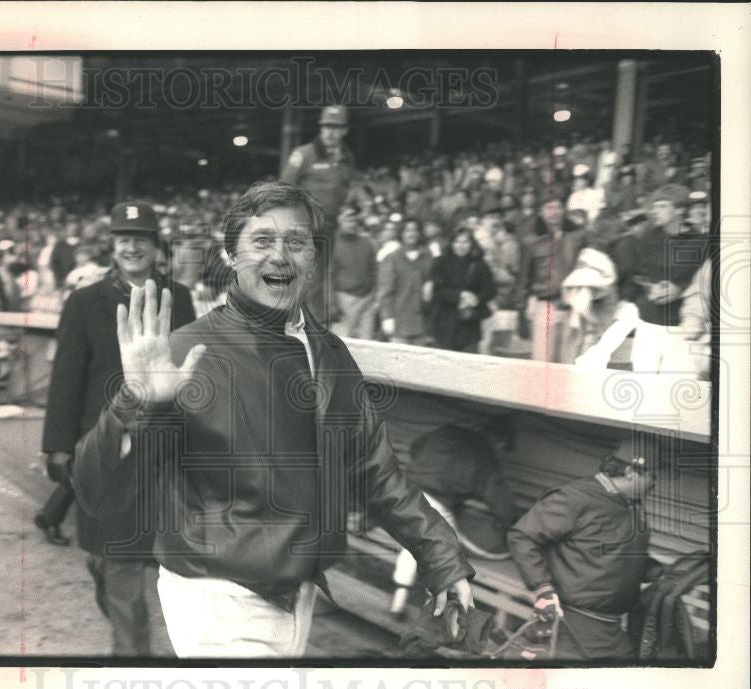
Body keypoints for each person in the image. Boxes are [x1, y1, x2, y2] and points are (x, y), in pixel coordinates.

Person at [72, 181, 474, 657]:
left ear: (313, 257)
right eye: (262, 241)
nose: (280, 256)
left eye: (296, 242)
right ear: (230, 255)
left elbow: (374, 470)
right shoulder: (186, 350)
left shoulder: (328, 351)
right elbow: (97, 486)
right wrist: (135, 402)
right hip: (216, 597)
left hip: (296, 593)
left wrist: (441, 558)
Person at [41, 200, 196, 655]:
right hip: (104, 448)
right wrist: (58, 446)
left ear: (156, 246)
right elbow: (66, 378)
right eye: (123, 238)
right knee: (106, 562)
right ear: (112, 245)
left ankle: (133, 663)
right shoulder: (86, 301)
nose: (132, 247)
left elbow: (192, 369)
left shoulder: (178, 297)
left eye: (141, 238)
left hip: (163, 449)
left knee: (124, 566)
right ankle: (128, 638)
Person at [508, 437, 665, 659]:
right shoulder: (574, 498)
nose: (654, 483)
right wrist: (542, 588)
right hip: (575, 624)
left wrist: (658, 571)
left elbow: (619, 555)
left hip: (610, 628)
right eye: (652, 475)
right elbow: (523, 536)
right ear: (632, 472)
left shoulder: (630, 504)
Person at [390, 417, 519, 614]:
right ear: (499, 441)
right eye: (502, 447)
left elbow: (417, 446)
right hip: (435, 503)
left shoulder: (446, 432)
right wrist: (513, 525)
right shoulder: (485, 456)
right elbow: (499, 498)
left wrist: (425, 467)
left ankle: (398, 602)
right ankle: (433, 610)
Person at [613, 183, 709, 371]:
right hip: (648, 323)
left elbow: (703, 282)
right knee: (642, 380)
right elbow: (636, 275)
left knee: (671, 385)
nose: (655, 211)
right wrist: (650, 287)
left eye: (663, 206)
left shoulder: (700, 242)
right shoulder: (647, 239)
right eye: (654, 206)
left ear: (680, 210)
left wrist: (679, 289)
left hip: (680, 328)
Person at [280, 105, 356, 326]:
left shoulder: (347, 158)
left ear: (344, 130)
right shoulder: (304, 154)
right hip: (304, 225)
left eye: (336, 127)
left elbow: (344, 190)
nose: (330, 132)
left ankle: (314, 326)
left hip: (329, 227)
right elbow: (284, 188)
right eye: (326, 127)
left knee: (320, 277)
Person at [518, 198, 586, 362]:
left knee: (569, 362)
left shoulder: (577, 238)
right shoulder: (531, 241)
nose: (554, 212)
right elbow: (524, 278)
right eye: (549, 207)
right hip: (544, 304)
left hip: (573, 305)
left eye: (558, 207)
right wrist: (521, 310)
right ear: (541, 212)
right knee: (543, 362)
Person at [427, 228, 496, 353]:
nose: (461, 246)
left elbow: (490, 290)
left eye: (465, 242)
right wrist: (460, 295)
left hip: (469, 322)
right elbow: (438, 290)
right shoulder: (441, 262)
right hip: (445, 321)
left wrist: (476, 299)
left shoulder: (479, 264)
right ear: (452, 243)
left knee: (468, 363)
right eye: (457, 242)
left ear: (471, 244)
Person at [377, 218, 434, 345]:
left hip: (421, 321)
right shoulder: (392, 258)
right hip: (400, 320)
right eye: (407, 230)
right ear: (401, 233)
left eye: (415, 230)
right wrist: (387, 317)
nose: (411, 234)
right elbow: (385, 292)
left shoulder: (427, 255)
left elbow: (430, 280)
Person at [329, 206, 378, 339]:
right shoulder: (332, 244)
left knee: (368, 342)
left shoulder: (367, 243)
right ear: (339, 221)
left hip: (367, 298)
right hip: (344, 300)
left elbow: (374, 270)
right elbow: (328, 277)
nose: (352, 224)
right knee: (342, 342)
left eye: (354, 221)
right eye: (348, 220)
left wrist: (375, 296)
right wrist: (332, 303)